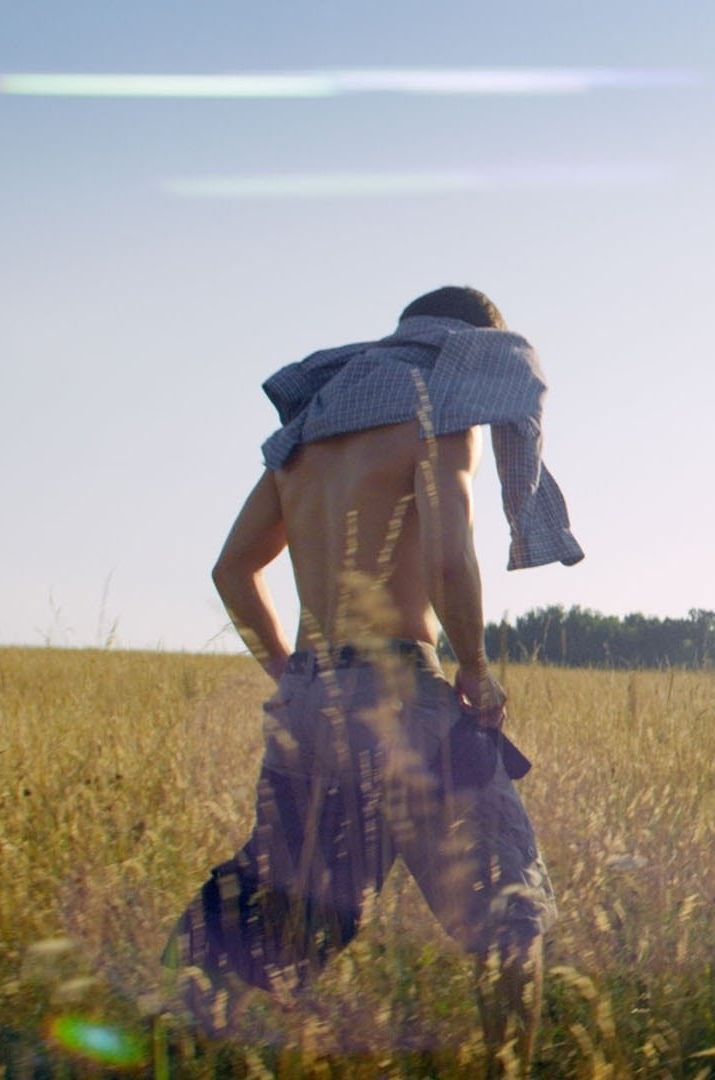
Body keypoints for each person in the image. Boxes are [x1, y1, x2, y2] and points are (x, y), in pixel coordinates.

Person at [168, 286, 582, 1062]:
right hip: (405, 694)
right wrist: (476, 670)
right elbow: (449, 553)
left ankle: (188, 1047)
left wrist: (294, 677)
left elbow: (232, 570)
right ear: (477, 354)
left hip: (310, 703)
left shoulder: (309, 430)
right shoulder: (440, 406)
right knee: (509, 915)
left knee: (282, 921)